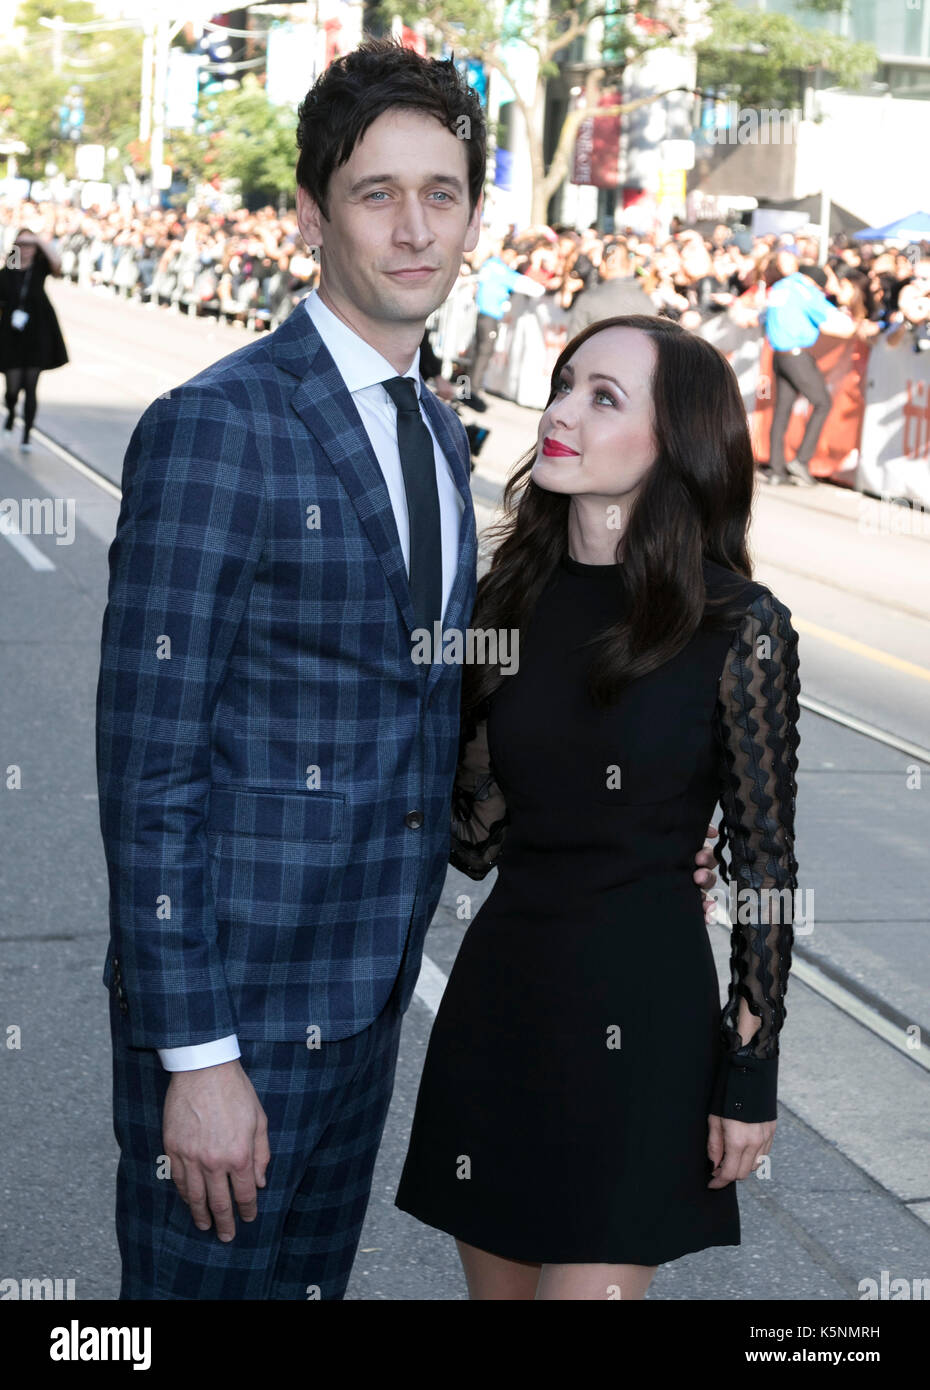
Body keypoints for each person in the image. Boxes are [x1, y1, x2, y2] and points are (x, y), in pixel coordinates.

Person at [95, 39, 721, 1303]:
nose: (414, 226)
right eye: (378, 192)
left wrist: (638, 821)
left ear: (476, 215)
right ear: (314, 208)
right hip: (241, 1010)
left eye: (442, 193)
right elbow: (148, 768)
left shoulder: (438, 429)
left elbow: (443, 716)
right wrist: (197, 1055)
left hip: (373, 1004)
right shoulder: (220, 424)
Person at [394, 314, 802, 1301]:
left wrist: (748, 1072)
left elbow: (768, 869)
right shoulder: (503, 603)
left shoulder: (738, 626)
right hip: (502, 1007)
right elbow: (474, 834)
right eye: (565, 384)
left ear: (677, 446)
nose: (562, 411)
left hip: (645, 1024)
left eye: (603, 397)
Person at [761, 252, 875, 487]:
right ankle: (801, 460)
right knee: (823, 402)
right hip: (797, 354)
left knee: (782, 412)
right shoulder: (806, 291)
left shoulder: (781, 286)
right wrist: (858, 325)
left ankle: (776, 470)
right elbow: (834, 323)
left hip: (778, 354)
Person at [0, 226, 68, 452]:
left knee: (30, 386)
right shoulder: (9, 267)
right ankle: (10, 413)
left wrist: (39, 240)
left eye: (30, 245)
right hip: (11, 332)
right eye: (22, 245)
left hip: (37, 331)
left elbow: (57, 264)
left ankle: (27, 434)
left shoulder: (40, 267)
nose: (26, 249)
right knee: (12, 388)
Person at [465, 239, 546, 409]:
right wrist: (544, 288)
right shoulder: (499, 268)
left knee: (478, 353)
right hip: (489, 315)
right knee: (483, 354)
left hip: (484, 314)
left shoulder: (491, 264)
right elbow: (519, 283)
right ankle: (472, 392)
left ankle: (468, 391)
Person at [564, 237, 656, 337]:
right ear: (630, 265)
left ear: (603, 265)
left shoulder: (588, 300)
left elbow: (572, 346)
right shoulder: (647, 301)